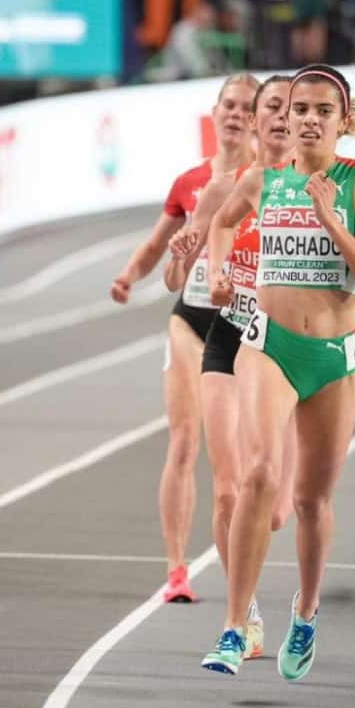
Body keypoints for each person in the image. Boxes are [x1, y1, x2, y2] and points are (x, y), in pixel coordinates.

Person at [197, 64, 355, 678]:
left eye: (320, 111)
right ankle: (233, 629)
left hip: (334, 358)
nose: (306, 119)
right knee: (257, 474)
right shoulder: (262, 180)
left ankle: (306, 612)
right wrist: (226, 271)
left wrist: (333, 220)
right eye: (298, 109)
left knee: (311, 501)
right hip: (268, 346)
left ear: (342, 121)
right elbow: (222, 222)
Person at [110, 73, 259, 604]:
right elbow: (160, 245)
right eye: (229, 105)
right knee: (183, 440)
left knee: (240, 460)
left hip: (244, 323)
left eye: (247, 107)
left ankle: (241, 563)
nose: (236, 114)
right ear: (215, 113)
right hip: (190, 317)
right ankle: (176, 568)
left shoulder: (266, 180)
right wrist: (130, 274)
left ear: (259, 117)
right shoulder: (191, 183)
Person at [167, 74, 297, 659]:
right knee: (226, 491)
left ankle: (285, 604)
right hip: (228, 335)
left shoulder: (318, 186)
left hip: (286, 347)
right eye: (266, 108)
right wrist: (193, 268)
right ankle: (242, 616)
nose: (271, 118)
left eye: (283, 109)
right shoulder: (223, 188)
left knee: (271, 506)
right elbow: (180, 275)